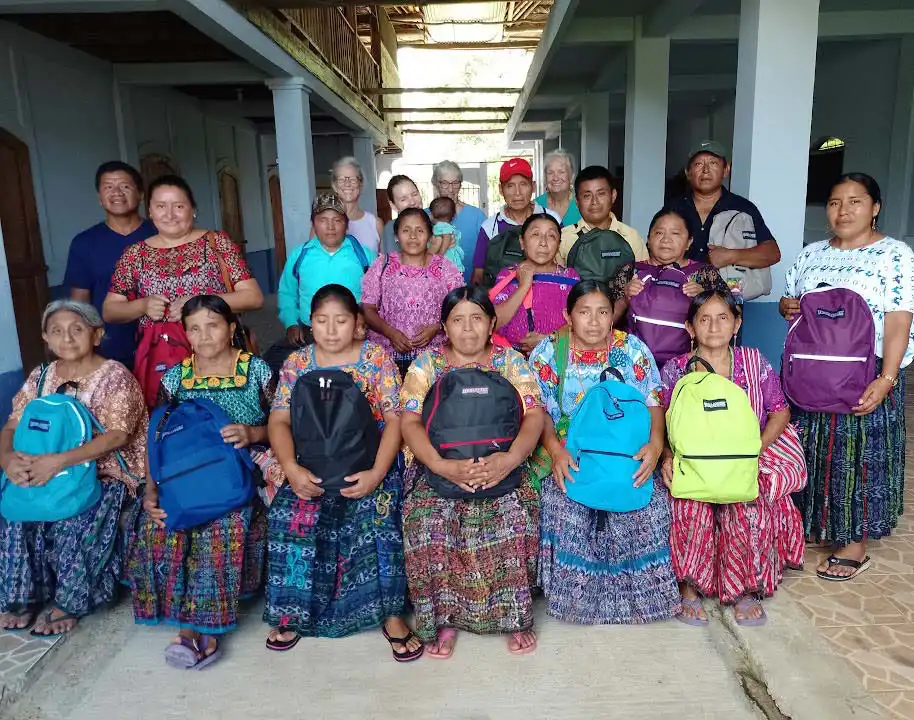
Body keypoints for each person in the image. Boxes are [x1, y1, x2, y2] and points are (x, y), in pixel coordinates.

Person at [263, 285, 421, 662]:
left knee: (380, 515)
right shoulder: (297, 363)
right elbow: (279, 419)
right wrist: (291, 468)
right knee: (290, 515)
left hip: (369, 461)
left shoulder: (376, 358)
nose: (331, 330)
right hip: (311, 463)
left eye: (341, 321)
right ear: (310, 323)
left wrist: (377, 473)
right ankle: (293, 611)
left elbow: (395, 419)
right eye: (321, 321)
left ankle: (391, 614)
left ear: (358, 324)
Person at [400, 286, 546, 658]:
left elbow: (533, 415)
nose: (468, 329)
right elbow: (410, 422)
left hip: (503, 463)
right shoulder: (426, 365)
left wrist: (511, 459)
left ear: (492, 322)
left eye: (477, 318)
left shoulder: (510, 362)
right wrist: (441, 465)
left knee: (513, 517)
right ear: (444, 327)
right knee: (428, 521)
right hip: (440, 466)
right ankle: (444, 617)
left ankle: (513, 616)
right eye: (458, 320)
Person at [781, 173, 914, 581]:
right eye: (836, 202)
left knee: (856, 456)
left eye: (855, 201)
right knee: (813, 448)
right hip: (812, 369)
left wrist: (887, 377)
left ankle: (854, 541)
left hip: (865, 369)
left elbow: (897, 320)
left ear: (874, 208)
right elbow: (791, 302)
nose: (844, 210)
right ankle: (812, 523)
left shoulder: (894, 254)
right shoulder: (811, 254)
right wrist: (788, 306)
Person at [129, 295, 273, 669]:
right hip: (190, 470)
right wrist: (151, 488)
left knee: (222, 522)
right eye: (194, 328)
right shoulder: (176, 378)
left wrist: (251, 432)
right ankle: (178, 611)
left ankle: (198, 630)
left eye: (212, 325)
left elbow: (283, 423)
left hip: (243, 464)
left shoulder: (256, 370)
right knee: (160, 521)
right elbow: (157, 434)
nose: (204, 335)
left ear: (230, 328)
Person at [529, 280, 679, 625]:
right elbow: (538, 409)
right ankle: (576, 600)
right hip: (571, 446)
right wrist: (554, 451)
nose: (594, 321)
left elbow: (654, 401)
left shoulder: (632, 350)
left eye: (602, 312)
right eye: (584, 312)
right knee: (565, 499)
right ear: (569, 316)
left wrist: (656, 446)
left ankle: (639, 601)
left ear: (614, 316)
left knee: (647, 503)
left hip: (626, 449)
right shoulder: (550, 351)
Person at [0, 300, 147, 635]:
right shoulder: (41, 377)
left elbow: (117, 437)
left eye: (76, 329)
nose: (66, 338)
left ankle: (70, 601)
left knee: (76, 516)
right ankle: (22, 597)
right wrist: (8, 460)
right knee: (15, 509)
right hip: (44, 467)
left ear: (96, 335)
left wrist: (59, 462)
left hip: (105, 472)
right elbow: (11, 426)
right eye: (56, 331)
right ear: (46, 338)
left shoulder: (114, 376)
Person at [660, 290, 804, 625]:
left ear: (736, 324)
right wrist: (668, 456)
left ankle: (744, 588)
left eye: (723, 318)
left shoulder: (753, 362)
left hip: (745, 456)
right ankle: (690, 588)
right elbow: (663, 418)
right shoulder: (676, 370)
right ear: (690, 327)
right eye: (704, 319)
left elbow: (779, 413)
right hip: (693, 463)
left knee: (748, 505)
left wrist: (754, 451)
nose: (714, 326)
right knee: (687, 505)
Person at [102, 174, 263, 351]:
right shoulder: (134, 254)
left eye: (179, 206)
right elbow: (110, 310)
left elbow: (253, 298)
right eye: (160, 206)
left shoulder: (217, 243)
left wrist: (199, 302)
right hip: (161, 357)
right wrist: (143, 305)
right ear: (150, 211)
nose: (170, 215)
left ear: (192, 209)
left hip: (217, 351)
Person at [65, 161, 157, 369]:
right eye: (108, 187)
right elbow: (79, 302)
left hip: (162, 343)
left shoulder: (161, 233)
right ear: (100, 198)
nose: (117, 193)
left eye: (125, 186)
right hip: (109, 348)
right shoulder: (84, 243)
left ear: (141, 194)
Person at [361, 208, 464, 377]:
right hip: (387, 357)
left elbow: (460, 309)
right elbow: (367, 309)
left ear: (430, 236)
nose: (413, 236)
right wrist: (390, 332)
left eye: (420, 230)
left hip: (434, 358)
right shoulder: (382, 265)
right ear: (396, 236)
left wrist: (438, 327)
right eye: (406, 230)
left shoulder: (445, 268)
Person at [277, 193, 377, 350]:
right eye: (323, 220)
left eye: (337, 220)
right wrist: (291, 323)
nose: (330, 227)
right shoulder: (300, 255)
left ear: (346, 224)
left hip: (353, 334)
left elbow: (378, 295)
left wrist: (364, 319)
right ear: (313, 224)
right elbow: (287, 293)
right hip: (309, 333)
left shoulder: (365, 256)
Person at [664, 141, 781, 274]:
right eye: (698, 164)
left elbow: (773, 253)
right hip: (679, 289)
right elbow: (654, 249)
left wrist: (731, 256)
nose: (706, 170)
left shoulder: (742, 208)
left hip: (726, 292)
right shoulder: (674, 207)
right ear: (688, 172)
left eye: (713, 163)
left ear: (726, 170)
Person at [612, 208, 730, 328]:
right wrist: (625, 300)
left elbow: (732, 315)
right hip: (634, 346)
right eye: (659, 233)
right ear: (648, 239)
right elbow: (604, 322)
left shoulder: (704, 273)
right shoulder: (630, 271)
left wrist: (704, 298)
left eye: (675, 233)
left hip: (688, 346)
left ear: (689, 242)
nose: (666, 240)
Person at [492, 214, 580, 354]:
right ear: (522, 242)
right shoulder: (507, 276)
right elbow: (493, 324)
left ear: (558, 244)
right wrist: (523, 287)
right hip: (509, 361)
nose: (543, 243)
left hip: (556, 359)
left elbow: (582, 326)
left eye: (551, 236)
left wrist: (549, 341)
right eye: (535, 234)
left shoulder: (570, 278)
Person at [471, 158, 560, 286]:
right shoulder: (490, 227)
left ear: (533, 186)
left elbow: (563, 265)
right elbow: (478, 274)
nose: (517, 193)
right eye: (510, 186)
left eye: (523, 184)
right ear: (501, 190)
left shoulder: (552, 220)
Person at [557, 165, 647, 269]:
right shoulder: (563, 238)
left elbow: (643, 278)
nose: (594, 202)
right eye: (587, 195)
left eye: (601, 194)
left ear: (613, 196)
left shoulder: (631, 237)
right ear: (577, 202)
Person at [432, 160, 487, 282]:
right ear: (436, 184)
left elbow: (487, 252)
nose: (451, 189)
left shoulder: (477, 215)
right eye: (444, 183)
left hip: (469, 284)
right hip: (433, 286)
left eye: (455, 183)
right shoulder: (427, 216)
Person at [331, 156, 384, 254]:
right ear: (335, 186)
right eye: (342, 179)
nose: (347, 184)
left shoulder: (376, 224)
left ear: (361, 184)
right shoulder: (323, 224)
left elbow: (386, 265)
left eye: (353, 179)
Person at [535, 149, 581, 227]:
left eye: (561, 172)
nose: (555, 178)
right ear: (545, 177)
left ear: (571, 176)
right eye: (550, 172)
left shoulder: (582, 204)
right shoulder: (536, 206)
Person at [381, 174, 424, 254]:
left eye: (414, 194)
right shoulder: (390, 229)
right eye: (403, 199)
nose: (412, 202)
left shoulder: (434, 222)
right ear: (393, 205)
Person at [428, 196, 465, 274]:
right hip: (450, 264)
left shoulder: (441, 226)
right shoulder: (446, 225)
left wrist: (440, 254)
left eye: (429, 212)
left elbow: (446, 238)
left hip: (448, 261)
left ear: (432, 214)